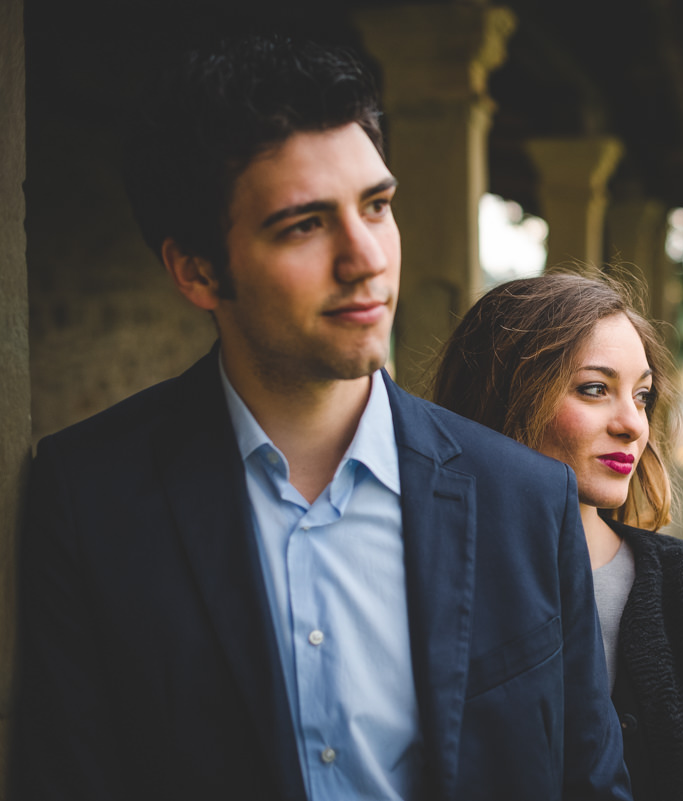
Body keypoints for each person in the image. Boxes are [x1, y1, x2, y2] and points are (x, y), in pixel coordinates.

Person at [12, 35, 630, 801]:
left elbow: (591, 781)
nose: (365, 256)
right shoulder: (90, 496)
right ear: (198, 270)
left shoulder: (524, 499)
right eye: (305, 224)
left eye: (376, 205)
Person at [432, 272, 683, 800]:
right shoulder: (428, 581)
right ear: (504, 396)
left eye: (643, 395)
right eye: (595, 389)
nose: (633, 424)